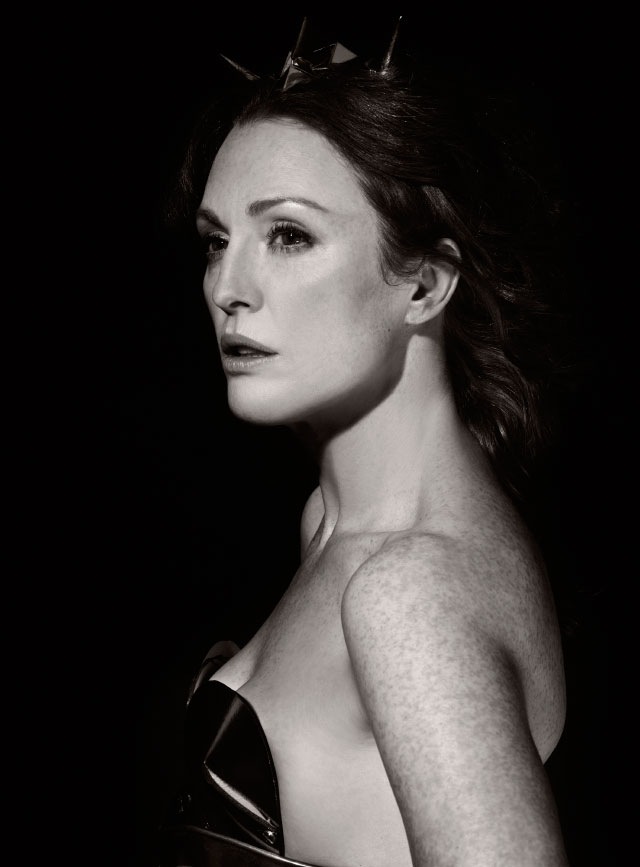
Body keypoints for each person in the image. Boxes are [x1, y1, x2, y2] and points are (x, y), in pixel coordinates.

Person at [156, 17, 572, 867]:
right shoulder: (332, 523)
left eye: (289, 235)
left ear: (425, 283)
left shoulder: (410, 593)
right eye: (216, 240)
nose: (228, 287)